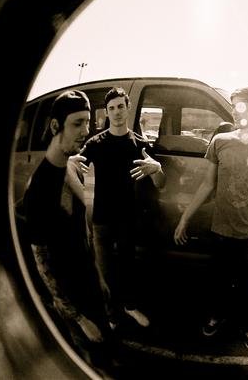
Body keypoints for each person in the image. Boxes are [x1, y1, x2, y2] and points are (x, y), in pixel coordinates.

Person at [173, 86, 248, 352]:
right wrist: (185, 218)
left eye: (240, 105)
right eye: (233, 106)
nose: (234, 111)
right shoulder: (220, 142)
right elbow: (207, 184)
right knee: (218, 283)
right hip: (221, 230)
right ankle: (215, 317)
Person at [23, 90, 117, 373]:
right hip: (74, 304)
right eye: (77, 123)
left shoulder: (68, 169)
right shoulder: (39, 189)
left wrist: (98, 276)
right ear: (56, 126)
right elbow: (43, 265)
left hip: (90, 287)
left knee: (108, 358)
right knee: (87, 365)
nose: (86, 131)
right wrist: (79, 320)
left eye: (88, 122)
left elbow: (82, 234)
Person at [74, 86, 165, 331]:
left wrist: (157, 168)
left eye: (120, 107)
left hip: (128, 219)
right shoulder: (96, 143)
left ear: (127, 108)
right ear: (107, 112)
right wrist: (70, 163)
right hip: (101, 220)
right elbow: (75, 165)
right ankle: (111, 315)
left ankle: (129, 306)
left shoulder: (139, 144)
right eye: (111, 108)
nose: (116, 112)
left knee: (127, 269)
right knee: (105, 273)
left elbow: (161, 183)